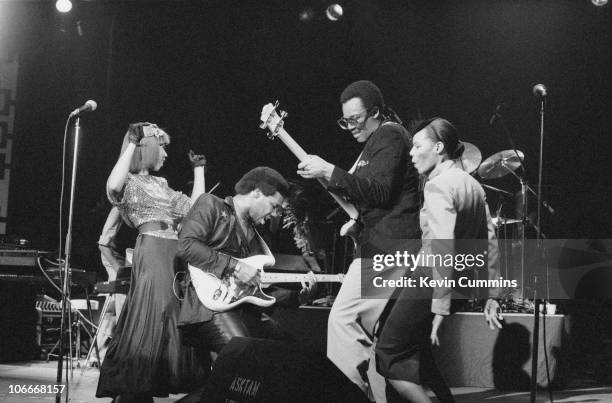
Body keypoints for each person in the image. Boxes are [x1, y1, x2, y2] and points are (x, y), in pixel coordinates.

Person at [296, 80, 421, 401]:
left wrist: (329, 169)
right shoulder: (376, 140)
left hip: (390, 248)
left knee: (343, 320)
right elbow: (375, 197)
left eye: (355, 119)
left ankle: (346, 396)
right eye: (345, 121)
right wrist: (357, 222)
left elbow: (380, 191)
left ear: (376, 112)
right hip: (383, 246)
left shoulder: (390, 135)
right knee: (372, 337)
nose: (349, 127)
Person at [374, 117, 503, 402]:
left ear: (439, 147)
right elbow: (489, 241)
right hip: (459, 283)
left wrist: (440, 308)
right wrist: (491, 294)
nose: (410, 153)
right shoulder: (473, 185)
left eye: (417, 145)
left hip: (433, 281)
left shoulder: (437, 186)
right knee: (415, 349)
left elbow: (443, 249)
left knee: (388, 352)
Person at [96, 122, 208, 402]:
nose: (166, 154)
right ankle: (136, 380)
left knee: (172, 311)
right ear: (148, 149)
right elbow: (112, 185)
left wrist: (199, 170)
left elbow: (195, 209)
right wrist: (133, 141)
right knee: (156, 310)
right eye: (162, 148)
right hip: (153, 247)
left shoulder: (162, 184)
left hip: (175, 252)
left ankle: (151, 378)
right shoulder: (129, 183)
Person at [177, 167, 317, 357]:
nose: (276, 214)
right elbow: (185, 245)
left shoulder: (256, 236)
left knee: (294, 355)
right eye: (274, 206)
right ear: (257, 193)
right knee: (245, 354)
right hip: (208, 309)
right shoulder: (211, 204)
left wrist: (297, 297)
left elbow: (258, 287)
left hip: (245, 310)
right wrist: (235, 267)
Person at [91, 206, 133, 365]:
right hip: (114, 259)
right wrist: (118, 270)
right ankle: (113, 355)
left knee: (113, 311)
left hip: (126, 259)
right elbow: (103, 244)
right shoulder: (119, 209)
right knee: (121, 303)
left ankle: (101, 353)